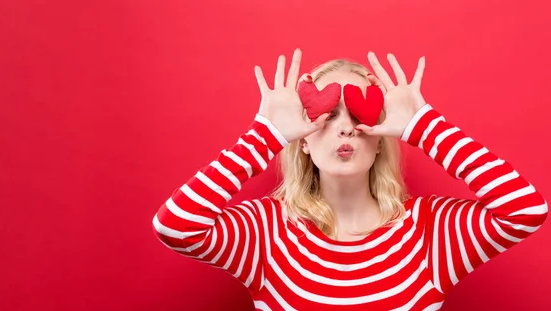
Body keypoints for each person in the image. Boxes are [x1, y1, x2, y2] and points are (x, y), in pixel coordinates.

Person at [152, 48, 548, 310]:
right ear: (303, 141)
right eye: (325, 116)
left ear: (380, 139)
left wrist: (423, 125)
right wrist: (266, 134)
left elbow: (526, 211)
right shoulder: (266, 232)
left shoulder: (430, 233)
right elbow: (175, 228)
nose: (345, 129)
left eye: (360, 115)